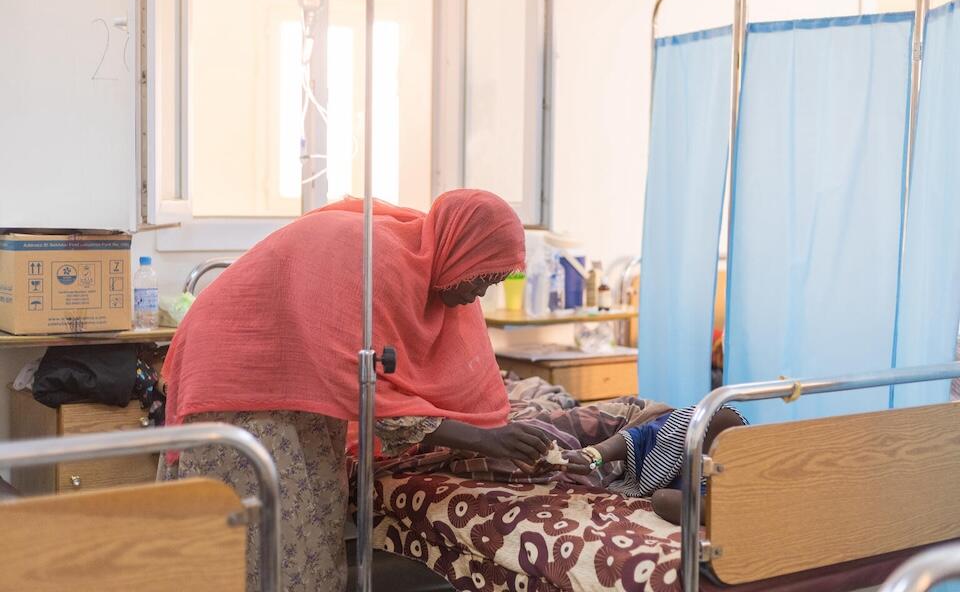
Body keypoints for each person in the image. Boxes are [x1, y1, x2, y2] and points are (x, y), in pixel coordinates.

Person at [160, 190, 551, 592]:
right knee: (274, 530)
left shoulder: (427, 261)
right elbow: (365, 388)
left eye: (493, 283)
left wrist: (487, 430)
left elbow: (447, 376)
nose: (480, 294)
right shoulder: (381, 262)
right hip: (239, 372)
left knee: (319, 513)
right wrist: (484, 439)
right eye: (481, 278)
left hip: (301, 376)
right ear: (461, 249)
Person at [559, 405, 748, 524]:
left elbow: (664, 500)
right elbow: (641, 435)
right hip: (637, 423)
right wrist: (593, 455)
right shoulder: (678, 430)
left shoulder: (734, 459)